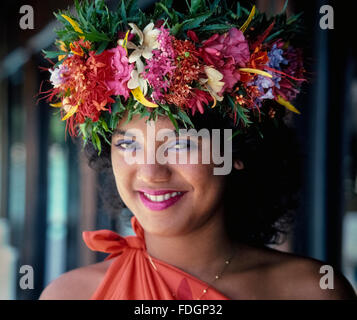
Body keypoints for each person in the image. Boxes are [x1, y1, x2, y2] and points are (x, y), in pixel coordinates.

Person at [39, 0, 357, 299]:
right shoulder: (69, 293)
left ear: (236, 152)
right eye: (128, 144)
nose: (151, 172)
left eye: (180, 145)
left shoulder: (311, 291)